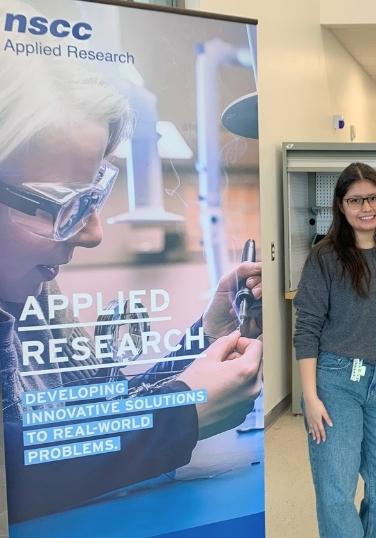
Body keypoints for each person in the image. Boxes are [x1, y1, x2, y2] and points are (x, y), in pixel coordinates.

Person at [0, 44, 263, 521]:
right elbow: (11, 465)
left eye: (93, 196)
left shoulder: (32, 303)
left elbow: (108, 409)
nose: (95, 232)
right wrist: (182, 417)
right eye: (62, 203)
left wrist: (208, 334)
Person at [294, 162, 376, 538]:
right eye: (355, 200)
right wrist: (310, 397)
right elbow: (307, 330)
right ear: (341, 206)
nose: (366, 207)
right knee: (336, 491)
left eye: (373, 198)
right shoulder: (325, 257)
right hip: (335, 384)